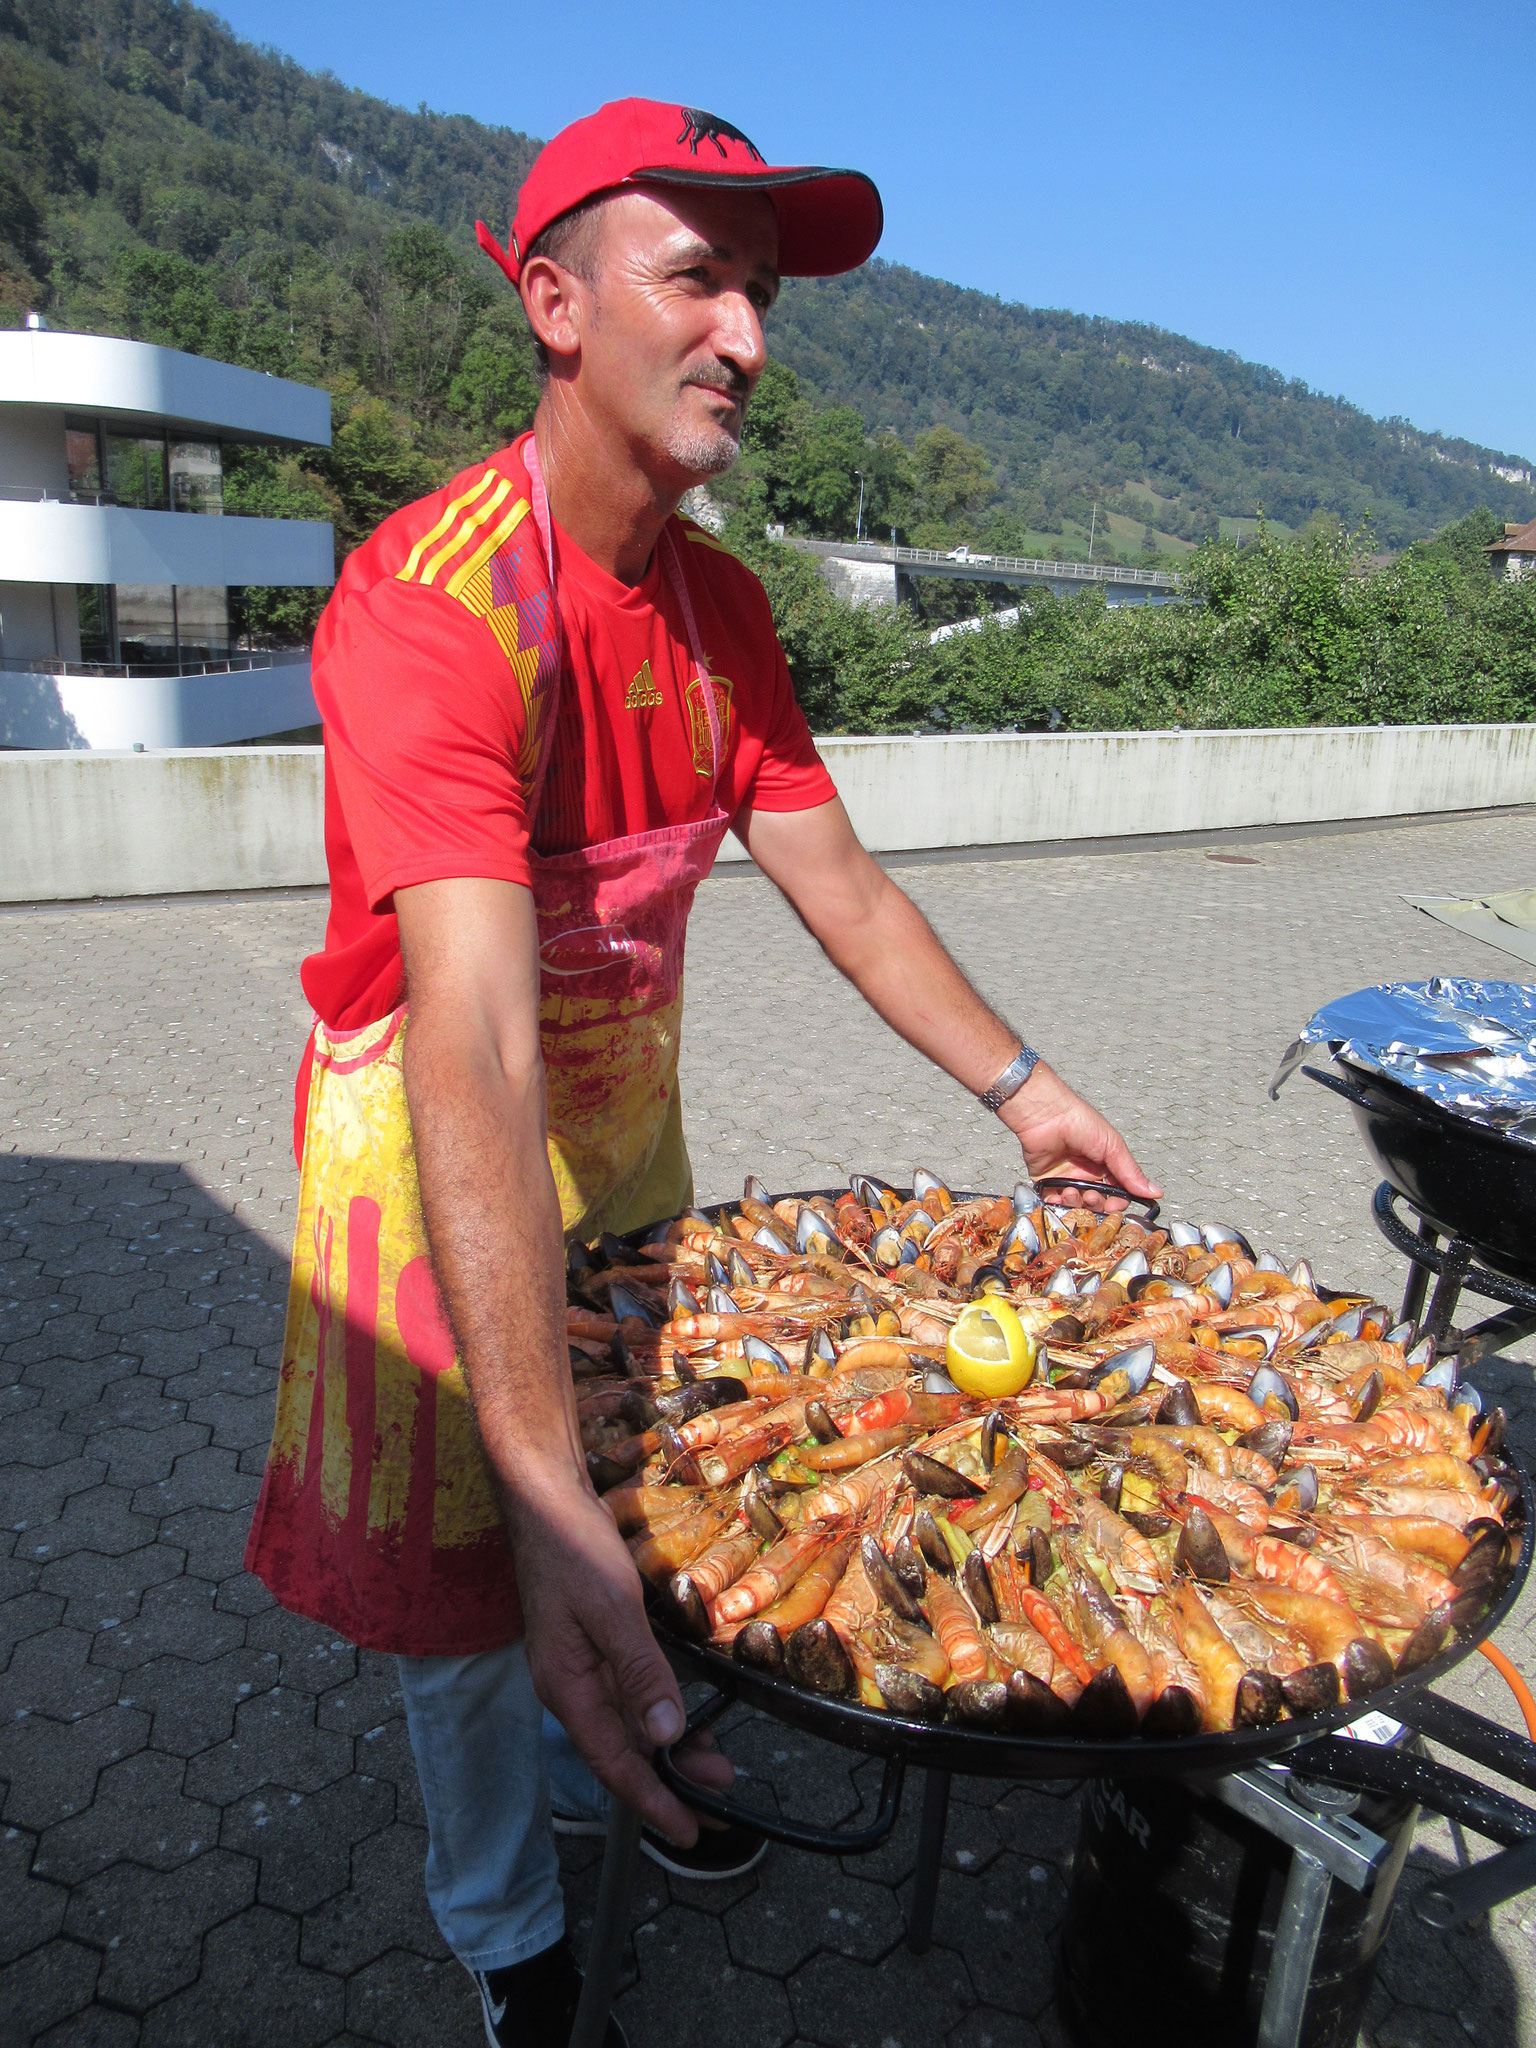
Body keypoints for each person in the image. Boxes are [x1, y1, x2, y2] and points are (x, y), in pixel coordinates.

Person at [245, 96, 1158, 2048]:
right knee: (478, 1579)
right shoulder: (435, 603)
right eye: (702, 277)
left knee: (649, 1511)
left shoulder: (722, 612)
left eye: (763, 291)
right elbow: (471, 1040)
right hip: (427, 1157)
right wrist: (527, 1460)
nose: (749, 332)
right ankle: (504, 1932)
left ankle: (616, 1776)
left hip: (622, 1144)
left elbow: (844, 886)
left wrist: (1028, 1088)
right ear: (558, 304)